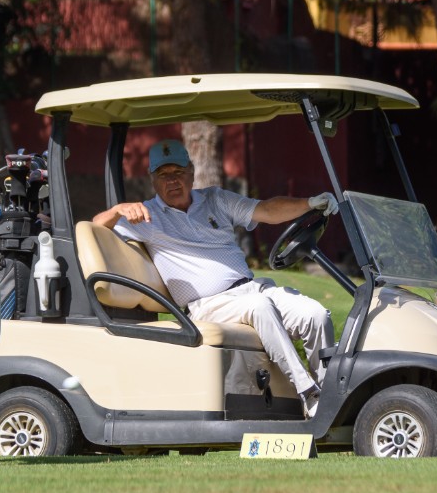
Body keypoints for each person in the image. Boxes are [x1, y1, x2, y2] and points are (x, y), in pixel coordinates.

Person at [92, 139, 336, 418]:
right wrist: (116, 210)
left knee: (315, 314)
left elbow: (267, 210)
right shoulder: (145, 217)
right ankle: (308, 394)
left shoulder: (215, 199)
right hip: (207, 305)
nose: (172, 181)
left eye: (178, 172)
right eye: (163, 175)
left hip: (250, 289)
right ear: (152, 180)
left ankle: (330, 397)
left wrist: (309, 203)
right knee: (260, 306)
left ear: (192, 172)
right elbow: (93, 228)